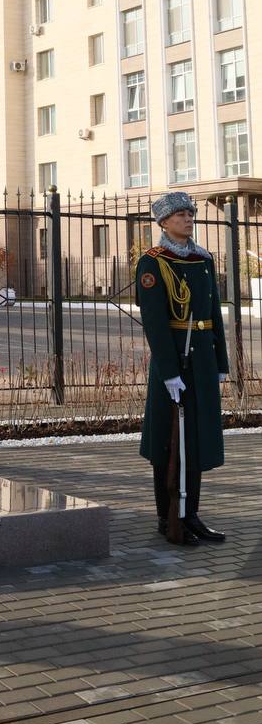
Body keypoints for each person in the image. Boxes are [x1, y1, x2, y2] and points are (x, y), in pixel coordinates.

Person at [137, 191, 229, 546]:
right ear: (163, 222)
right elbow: (155, 323)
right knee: (168, 440)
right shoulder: (154, 262)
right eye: (179, 215)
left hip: (202, 359)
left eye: (190, 213)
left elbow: (213, 313)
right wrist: (169, 371)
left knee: (196, 440)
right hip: (173, 362)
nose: (188, 219)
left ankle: (190, 515)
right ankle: (167, 517)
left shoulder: (202, 259)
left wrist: (220, 362)